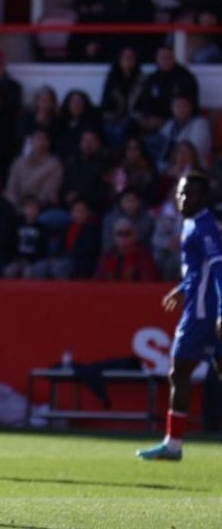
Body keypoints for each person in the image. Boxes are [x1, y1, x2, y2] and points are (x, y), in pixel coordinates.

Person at [137, 173, 222, 461]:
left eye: (191, 194)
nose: (184, 199)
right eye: (181, 193)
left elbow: (219, 270)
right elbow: (200, 271)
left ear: (203, 198)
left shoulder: (206, 227)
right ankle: (172, 445)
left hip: (201, 313)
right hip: (200, 305)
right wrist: (181, 287)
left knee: (179, 372)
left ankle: (173, 445)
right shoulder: (192, 223)